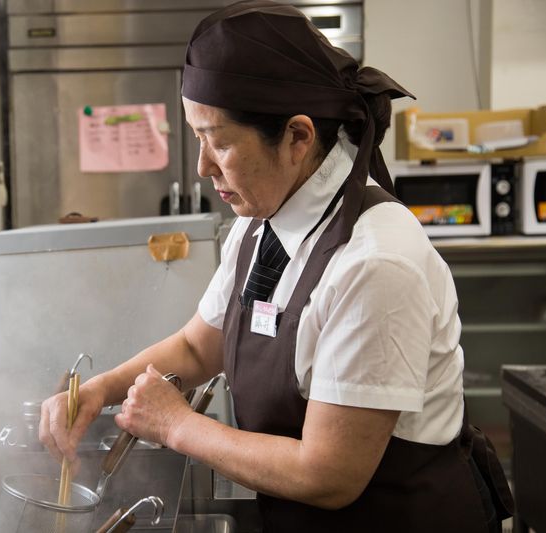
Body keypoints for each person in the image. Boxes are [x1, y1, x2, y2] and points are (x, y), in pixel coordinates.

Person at [39, 1, 514, 531]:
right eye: (198, 137)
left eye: (219, 142)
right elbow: (201, 345)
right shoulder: (260, 220)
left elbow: (329, 474)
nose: (202, 167)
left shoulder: (374, 264)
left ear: (297, 137)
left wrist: (176, 425)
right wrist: (99, 391)